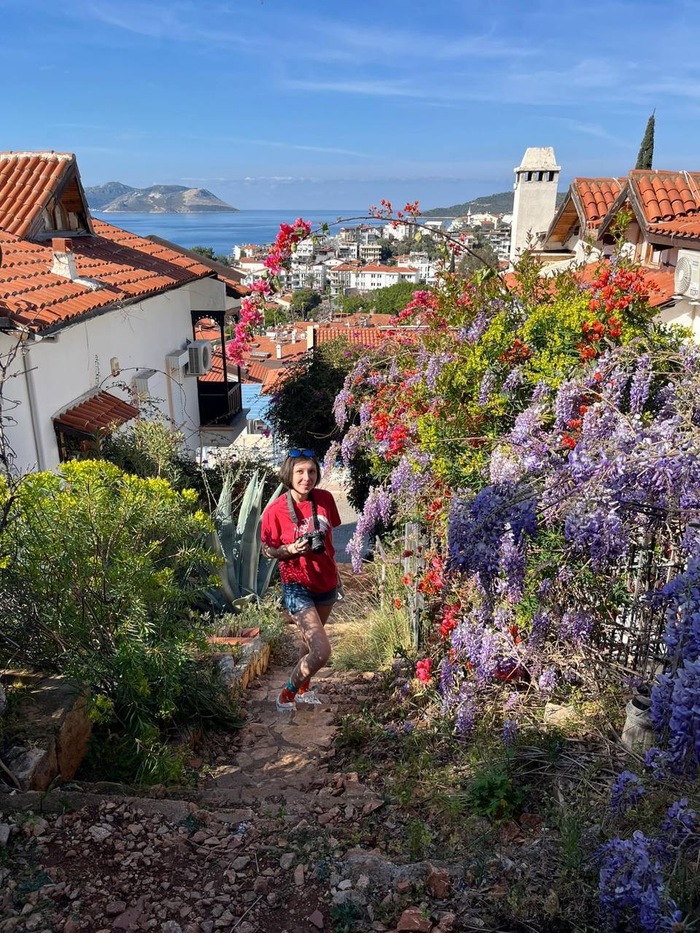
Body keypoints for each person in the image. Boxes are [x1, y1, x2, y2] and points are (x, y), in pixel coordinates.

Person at [260, 448, 342, 711]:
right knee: (321, 650)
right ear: (289, 474)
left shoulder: (326, 499)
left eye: (311, 472)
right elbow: (267, 549)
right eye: (300, 472)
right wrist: (288, 550)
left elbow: (330, 542)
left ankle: (304, 689)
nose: (306, 477)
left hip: (326, 583)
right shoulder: (275, 510)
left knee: (309, 644)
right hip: (297, 586)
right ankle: (287, 694)